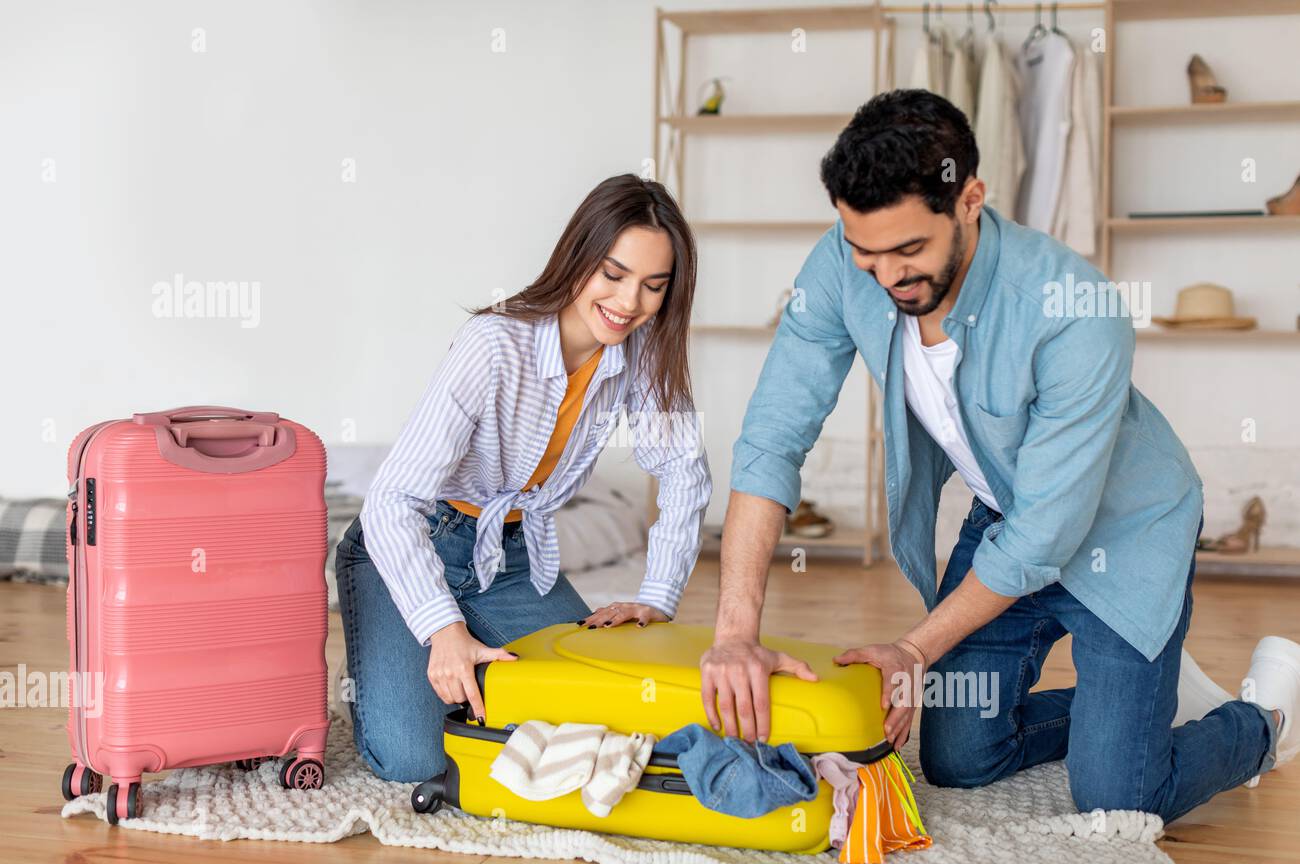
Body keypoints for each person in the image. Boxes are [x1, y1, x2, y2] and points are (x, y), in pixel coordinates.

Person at [702, 89, 1290, 824]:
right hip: (1008, 519)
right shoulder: (839, 266)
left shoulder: (1074, 307)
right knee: (957, 757)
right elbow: (772, 437)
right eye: (866, 253)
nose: (885, 277)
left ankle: (1262, 724)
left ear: (970, 199)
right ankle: (1142, 708)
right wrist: (734, 637)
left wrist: (914, 650)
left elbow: (1049, 531)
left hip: (1124, 532)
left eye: (909, 251)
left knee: (1118, 798)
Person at [337, 173, 711, 783]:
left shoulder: (642, 355)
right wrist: (441, 628)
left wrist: (656, 598)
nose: (629, 302)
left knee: (603, 708)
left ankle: (467, 659)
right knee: (419, 760)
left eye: (653, 286)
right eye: (613, 275)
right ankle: (386, 657)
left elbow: (685, 474)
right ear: (580, 258)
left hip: (508, 560)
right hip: (407, 544)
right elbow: (392, 502)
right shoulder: (494, 344)